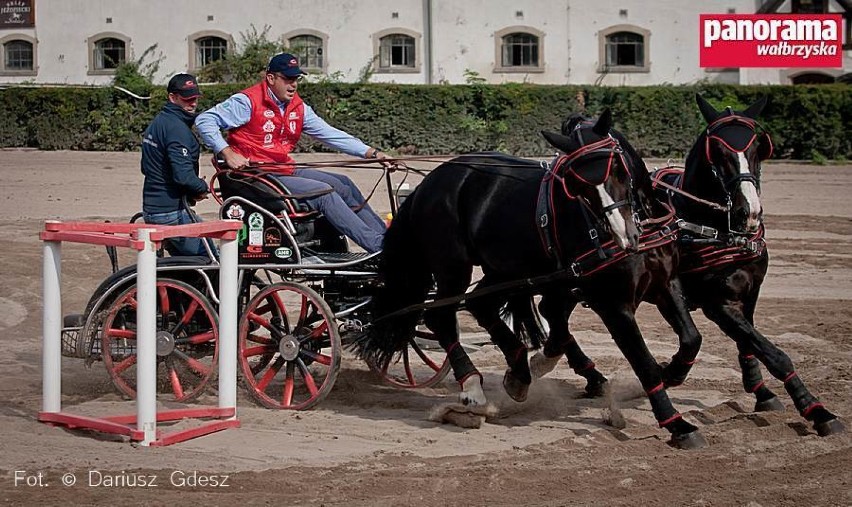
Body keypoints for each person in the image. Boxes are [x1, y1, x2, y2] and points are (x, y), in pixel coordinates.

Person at [195, 53, 389, 254]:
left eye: (296, 79)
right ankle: (377, 246)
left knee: (344, 184)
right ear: (271, 78)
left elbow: (329, 134)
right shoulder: (247, 102)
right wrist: (226, 152)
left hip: (282, 170)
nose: (293, 85)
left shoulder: (298, 107)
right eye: (287, 79)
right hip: (255, 176)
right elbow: (205, 120)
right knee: (324, 193)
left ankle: (389, 239)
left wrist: (371, 152)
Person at [140, 73, 211, 256]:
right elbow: (183, 177)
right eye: (187, 99)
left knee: (185, 262)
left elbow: (145, 167)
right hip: (171, 212)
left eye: (195, 98)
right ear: (172, 97)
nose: (193, 103)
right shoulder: (177, 129)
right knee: (212, 257)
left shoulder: (157, 123)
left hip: (152, 210)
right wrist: (202, 187)